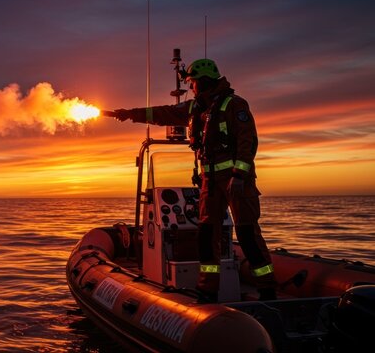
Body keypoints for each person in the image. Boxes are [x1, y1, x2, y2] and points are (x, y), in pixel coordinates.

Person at [108, 58, 277, 302]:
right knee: (207, 236)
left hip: (236, 181)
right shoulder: (195, 108)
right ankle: (208, 290)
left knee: (247, 234)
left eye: (193, 82)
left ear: (203, 80)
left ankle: (268, 289)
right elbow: (163, 113)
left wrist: (239, 175)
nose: (191, 87)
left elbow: (247, 142)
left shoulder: (234, 105)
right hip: (209, 182)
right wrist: (128, 114)